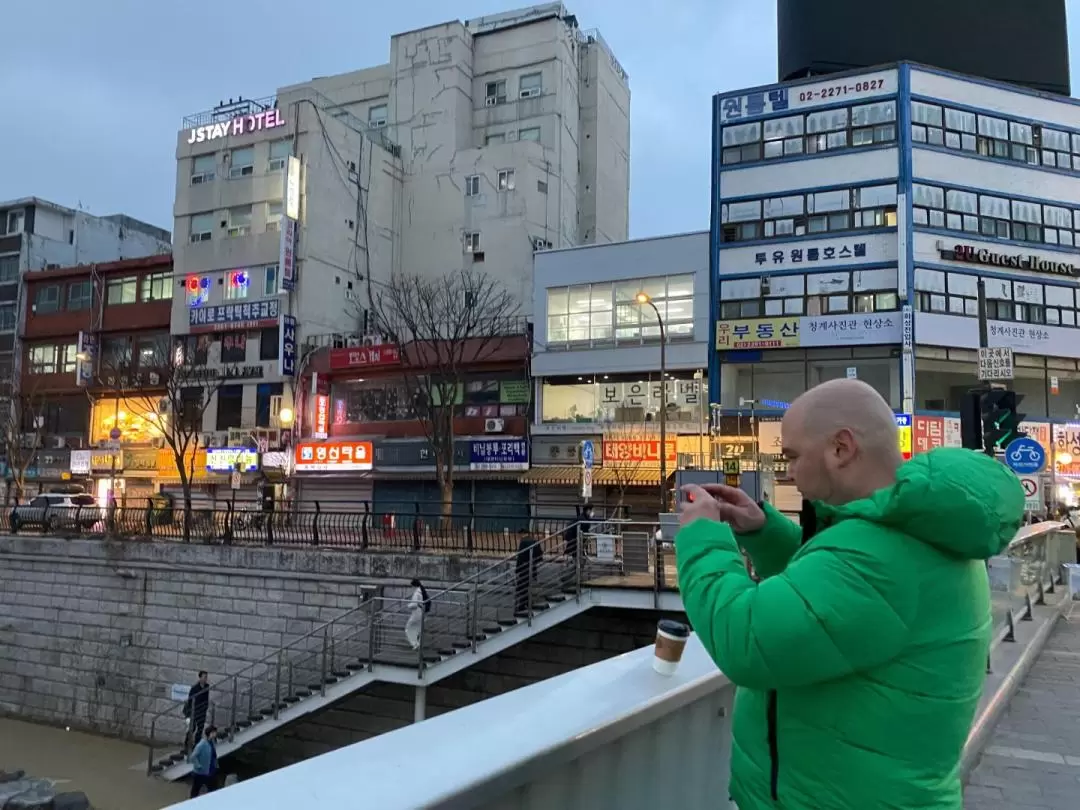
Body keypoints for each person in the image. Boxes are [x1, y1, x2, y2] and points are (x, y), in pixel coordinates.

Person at [674, 378, 1024, 810]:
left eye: (793, 456)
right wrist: (764, 533)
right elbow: (827, 603)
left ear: (841, 448)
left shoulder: (878, 555)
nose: (787, 471)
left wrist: (702, 537)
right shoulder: (915, 530)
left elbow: (746, 639)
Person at [514, 527, 543, 614]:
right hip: (532, 567)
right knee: (528, 586)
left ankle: (522, 605)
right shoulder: (534, 541)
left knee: (522, 587)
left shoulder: (523, 542)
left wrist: (517, 569)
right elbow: (540, 555)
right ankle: (527, 603)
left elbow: (520, 557)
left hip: (524, 568)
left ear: (522, 534)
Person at [183, 670, 210, 753]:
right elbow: (190, 700)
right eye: (204, 677)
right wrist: (191, 711)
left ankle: (197, 745)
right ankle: (187, 744)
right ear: (200, 677)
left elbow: (206, 699)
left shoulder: (207, 687)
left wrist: (205, 708)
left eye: (206, 677)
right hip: (194, 710)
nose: (206, 679)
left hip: (202, 711)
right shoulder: (194, 688)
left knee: (200, 728)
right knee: (192, 728)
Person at [188, 725, 219, 798]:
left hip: (211, 770)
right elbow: (193, 757)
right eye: (214, 733)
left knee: (213, 789)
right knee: (195, 790)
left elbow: (213, 755)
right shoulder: (201, 744)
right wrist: (198, 766)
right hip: (201, 772)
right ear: (211, 733)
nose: (216, 734)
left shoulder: (212, 742)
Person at [404, 578, 429, 651]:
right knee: (417, 629)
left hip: (416, 612)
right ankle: (418, 644)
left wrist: (408, 605)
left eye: (411, 586)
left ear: (414, 586)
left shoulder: (416, 593)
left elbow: (414, 604)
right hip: (421, 612)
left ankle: (415, 644)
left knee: (408, 629)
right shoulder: (421, 592)